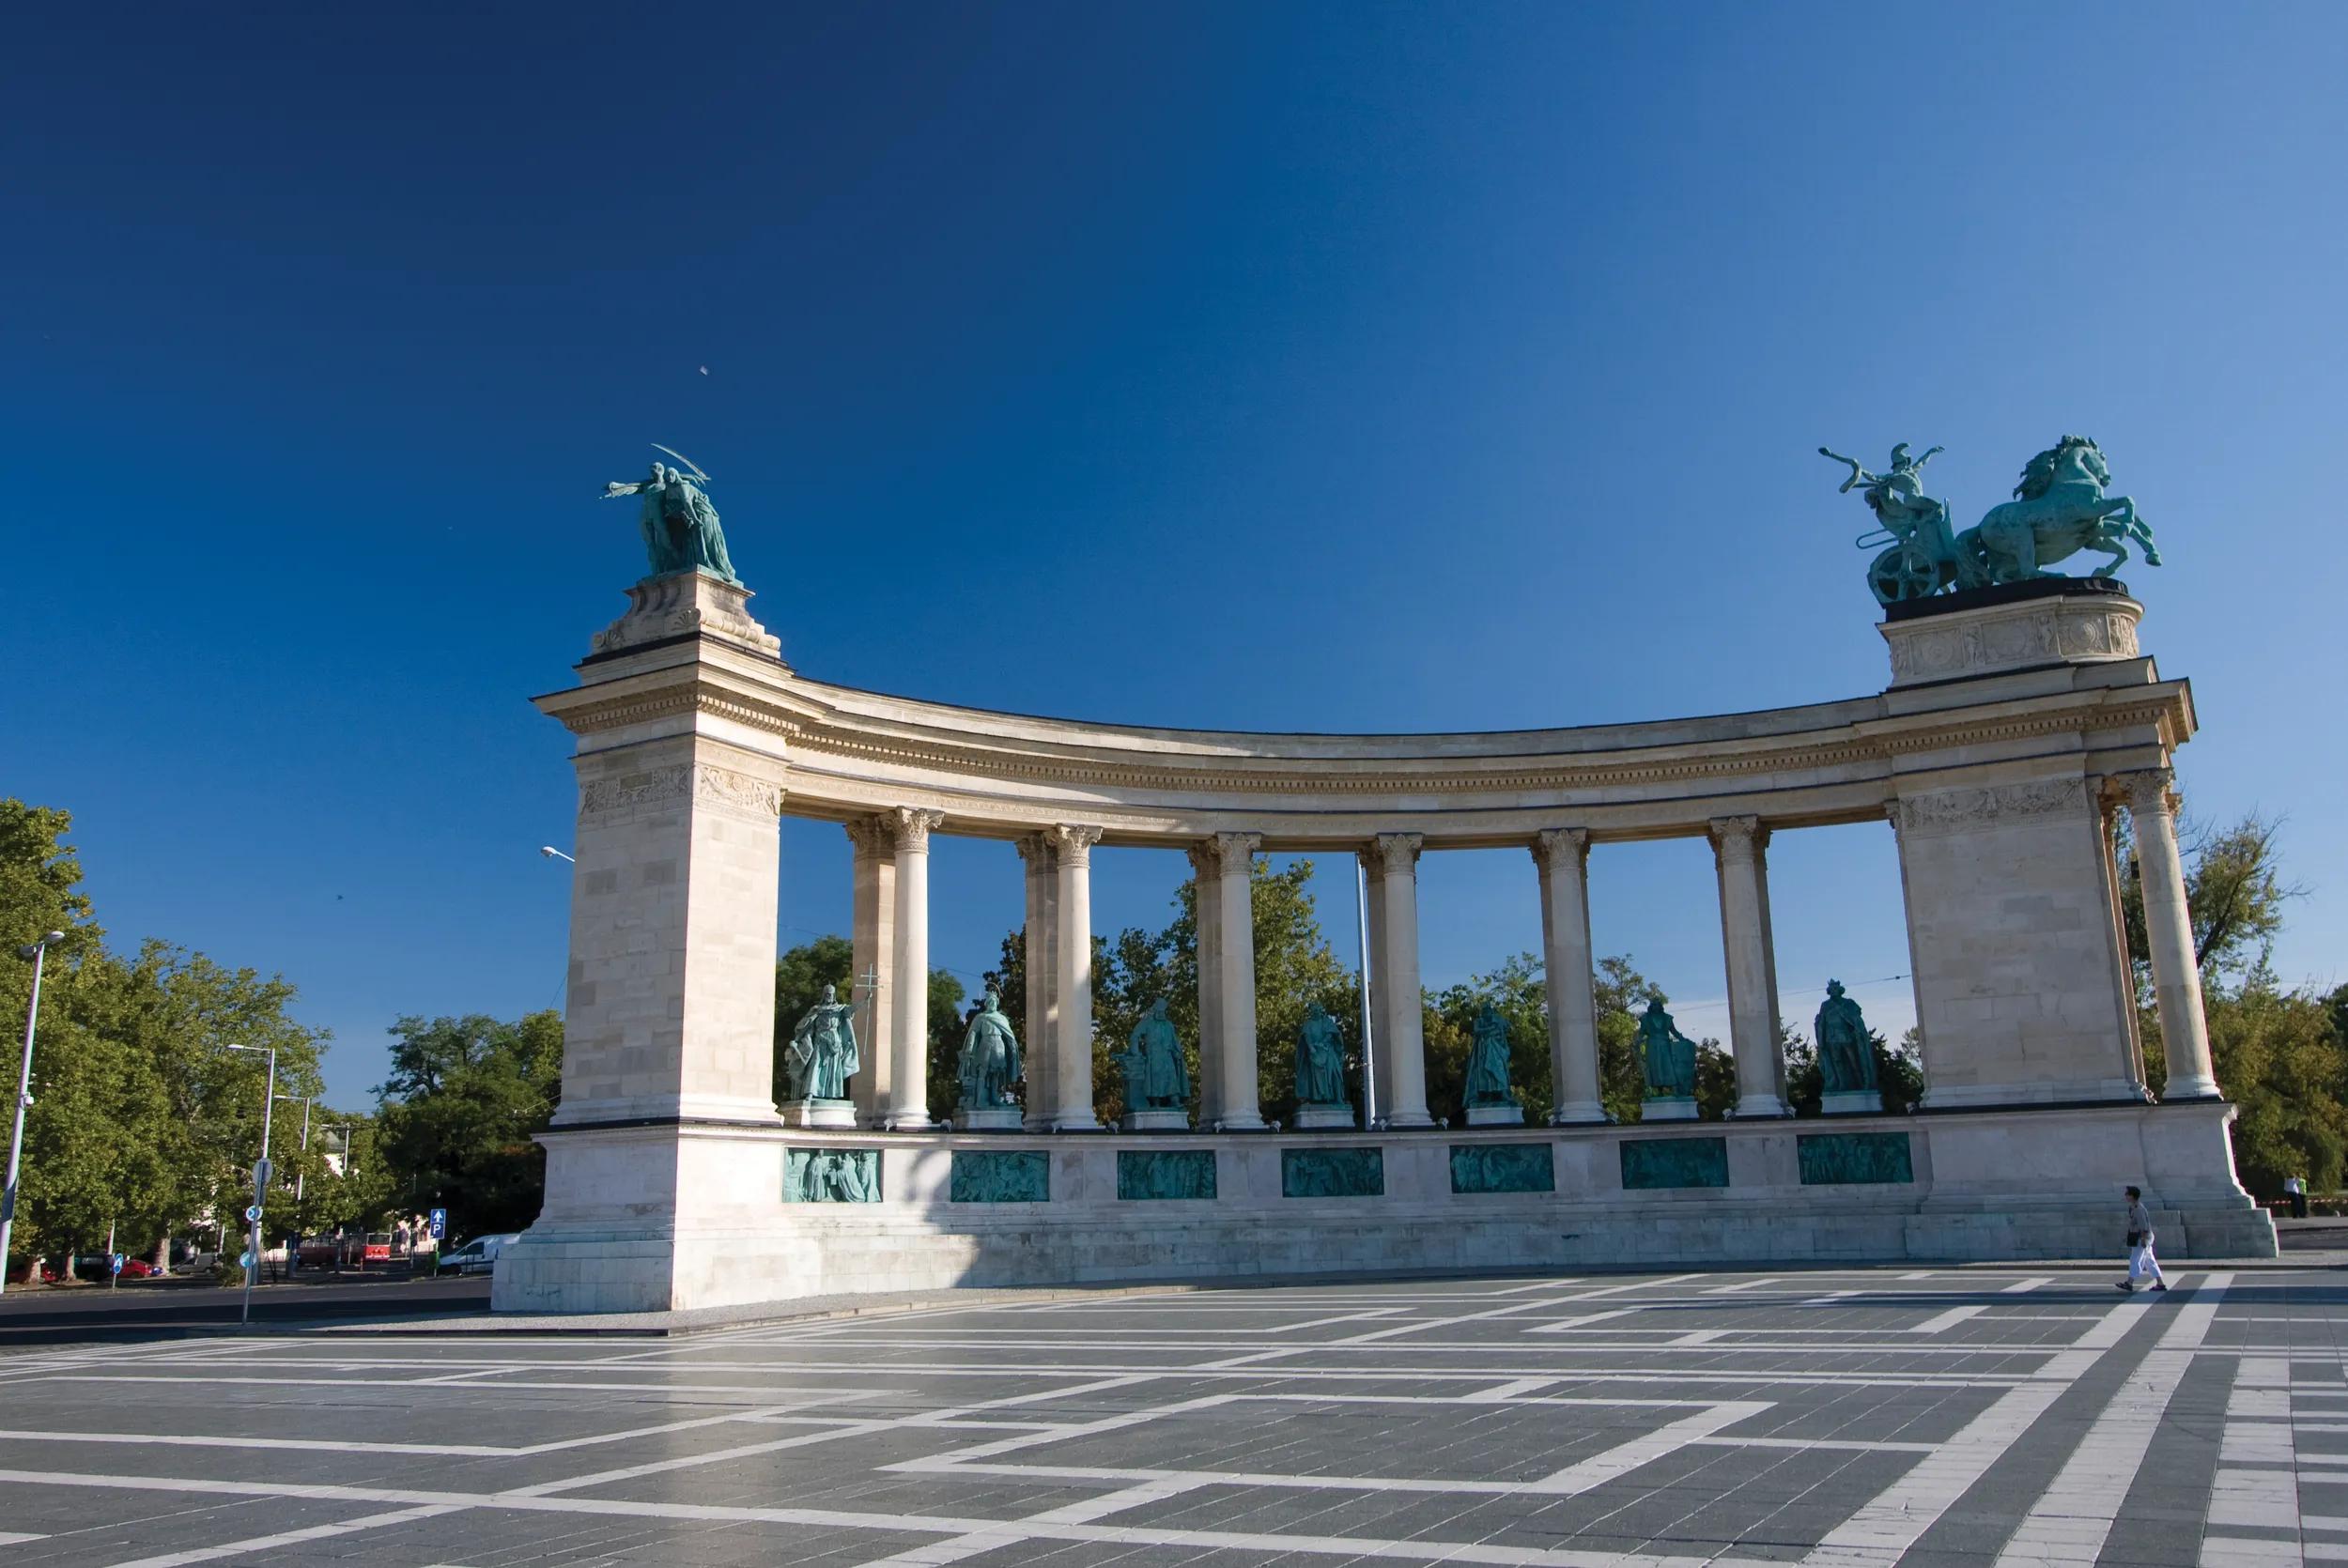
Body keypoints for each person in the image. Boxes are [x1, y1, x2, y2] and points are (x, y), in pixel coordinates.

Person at [2118, 1185, 2167, 1293]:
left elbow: (2143, 1226)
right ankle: (2160, 1283)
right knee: (2149, 1261)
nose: (2125, 1196)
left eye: (2127, 1194)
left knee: (2135, 1259)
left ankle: (2129, 1283)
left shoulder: (2138, 1208)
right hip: (2143, 1237)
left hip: (2142, 1238)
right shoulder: (2133, 1207)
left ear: (2132, 1196)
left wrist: (2143, 1240)